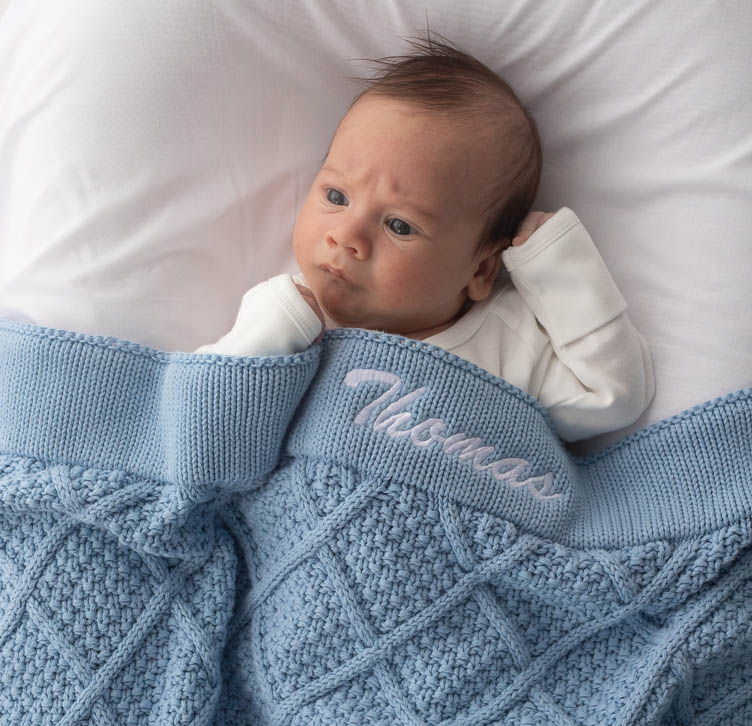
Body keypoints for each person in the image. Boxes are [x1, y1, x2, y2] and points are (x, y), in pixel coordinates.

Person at [197, 37, 654, 442]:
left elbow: (613, 397)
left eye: (399, 226)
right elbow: (202, 420)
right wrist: (266, 336)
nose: (346, 236)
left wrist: (560, 270)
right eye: (336, 195)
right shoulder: (287, 324)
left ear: (480, 270)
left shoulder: (510, 339)